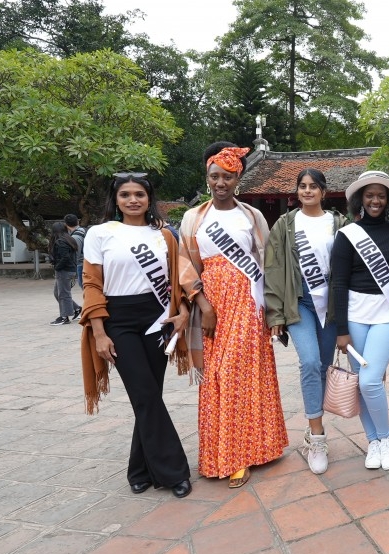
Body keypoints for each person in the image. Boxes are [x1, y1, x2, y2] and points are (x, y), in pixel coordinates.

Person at [179, 142, 288, 489]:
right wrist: (203, 305)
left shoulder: (251, 216)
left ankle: (242, 454)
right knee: (215, 376)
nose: (220, 183)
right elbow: (184, 265)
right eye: (215, 176)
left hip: (247, 301)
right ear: (207, 177)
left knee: (238, 373)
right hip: (211, 303)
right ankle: (221, 453)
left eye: (227, 177)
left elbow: (268, 262)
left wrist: (273, 310)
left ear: (238, 180)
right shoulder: (194, 217)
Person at [79, 172, 193, 498]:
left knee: (149, 395)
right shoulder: (100, 233)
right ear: (115, 200)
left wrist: (183, 312)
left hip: (158, 317)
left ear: (149, 199)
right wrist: (99, 333)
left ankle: (139, 470)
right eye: (125, 194)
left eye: (139, 194)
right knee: (144, 394)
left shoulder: (165, 235)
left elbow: (179, 279)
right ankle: (174, 472)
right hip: (119, 320)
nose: (133, 200)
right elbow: (91, 284)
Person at [265, 169, 347, 475]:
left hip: (330, 304)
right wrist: (275, 314)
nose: (308, 191)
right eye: (303, 186)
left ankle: (315, 423)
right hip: (299, 302)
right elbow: (273, 268)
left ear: (324, 191)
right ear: (297, 191)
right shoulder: (285, 224)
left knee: (323, 367)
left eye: (314, 186)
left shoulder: (339, 223)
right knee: (310, 363)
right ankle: (317, 437)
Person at [331, 171, 389, 471]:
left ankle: (386, 437)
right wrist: (341, 330)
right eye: (370, 195)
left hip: (388, 313)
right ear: (360, 199)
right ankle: (373, 440)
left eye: (381, 195)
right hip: (355, 315)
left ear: (388, 200)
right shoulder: (347, 234)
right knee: (360, 383)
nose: (375, 200)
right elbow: (339, 282)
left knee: (370, 379)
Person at [49, 221, 81, 326]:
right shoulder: (69, 239)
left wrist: (57, 267)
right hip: (69, 270)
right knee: (57, 292)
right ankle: (77, 309)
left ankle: (64, 317)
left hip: (64, 271)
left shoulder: (61, 242)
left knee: (63, 294)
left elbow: (65, 258)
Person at [65, 214, 87, 296]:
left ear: (66, 225)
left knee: (84, 287)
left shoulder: (75, 236)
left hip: (82, 264)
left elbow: (76, 254)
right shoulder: (83, 230)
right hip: (86, 262)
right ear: (78, 221)